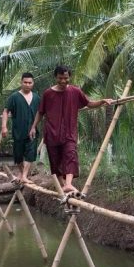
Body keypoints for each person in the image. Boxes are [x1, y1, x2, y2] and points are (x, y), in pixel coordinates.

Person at [30, 65, 114, 193]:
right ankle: (62, 186)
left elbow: (89, 103)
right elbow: (40, 112)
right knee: (55, 160)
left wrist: (102, 101)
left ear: (69, 77)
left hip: (69, 132)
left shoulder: (75, 91)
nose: (63, 81)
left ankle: (68, 184)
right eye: (60, 78)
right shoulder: (48, 94)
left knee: (70, 155)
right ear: (55, 77)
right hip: (52, 133)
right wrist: (33, 127)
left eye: (66, 78)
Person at [1, 72, 40, 183]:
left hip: (32, 130)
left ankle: (24, 176)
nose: (27, 84)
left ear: (33, 83)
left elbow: (41, 112)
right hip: (18, 131)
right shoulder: (14, 97)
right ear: (21, 82)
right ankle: (22, 173)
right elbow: (5, 111)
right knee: (18, 155)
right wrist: (4, 126)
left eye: (30, 83)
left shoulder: (37, 98)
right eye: (25, 82)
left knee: (30, 153)